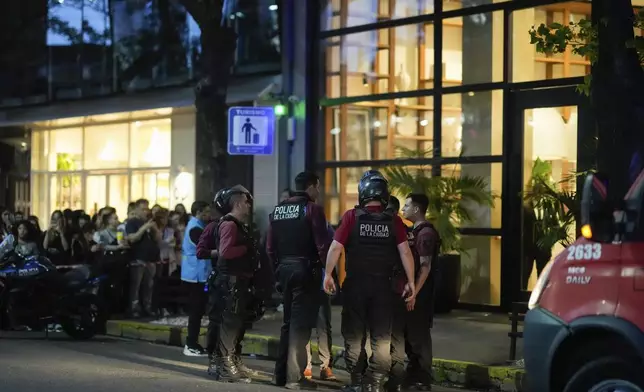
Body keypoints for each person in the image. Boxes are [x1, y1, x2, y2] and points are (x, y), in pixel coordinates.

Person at [323, 170, 416, 392]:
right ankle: (375, 382)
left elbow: (336, 247)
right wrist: (411, 281)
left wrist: (327, 274)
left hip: (356, 285)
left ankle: (357, 382)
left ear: (363, 191)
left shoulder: (351, 217)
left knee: (354, 335)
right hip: (383, 287)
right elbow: (405, 253)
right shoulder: (393, 221)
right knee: (382, 338)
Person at [267, 172, 330, 390]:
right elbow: (322, 246)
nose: (318, 192)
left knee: (287, 323)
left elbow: (269, 248)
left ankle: (280, 374)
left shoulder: (278, 210)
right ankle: (295, 378)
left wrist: (278, 272)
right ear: (311, 187)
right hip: (306, 270)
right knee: (300, 326)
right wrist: (329, 274)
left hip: (284, 270)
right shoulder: (312, 210)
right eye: (318, 188)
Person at [198, 185, 259, 383]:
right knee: (226, 324)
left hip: (237, 280)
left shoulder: (237, 225)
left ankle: (230, 361)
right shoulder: (228, 225)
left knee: (235, 324)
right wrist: (245, 249)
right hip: (228, 281)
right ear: (238, 203)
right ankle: (223, 365)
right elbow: (223, 253)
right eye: (245, 201)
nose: (249, 204)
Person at [394, 194, 439, 391]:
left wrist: (414, 293)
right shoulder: (413, 231)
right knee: (410, 335)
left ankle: (422, 379)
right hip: (412, 292)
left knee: (419, 336)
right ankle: (413, 376)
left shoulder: (426, 233)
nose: (403, 208)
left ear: (417, 209)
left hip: (420, 295)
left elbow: (425, 266)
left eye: (407, 205)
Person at [304, 219, 337, 382]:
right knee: (305, 327)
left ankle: (325, 365)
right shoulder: (301, 227)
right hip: (305, 283)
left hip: (321, 283)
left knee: (323, 326)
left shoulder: (325, 228)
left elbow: (336, 248)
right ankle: (307, 365)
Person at [181, 200, 213, 357]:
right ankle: (190, 344)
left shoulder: (197, 225)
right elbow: (206, 247)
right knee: (195, 311)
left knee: (198, 311)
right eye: (207, 211)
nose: (209, 214)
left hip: (198, 274)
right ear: (199, 212)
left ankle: (193, 343)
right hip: (194, 276)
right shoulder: (195, 228)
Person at [125, 199, 161, 318]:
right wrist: (144, 228)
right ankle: (134, 308)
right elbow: (132, 238)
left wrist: (154, 229)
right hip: (138, 258)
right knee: (136, 285)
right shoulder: (132, 222)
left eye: (147, 209)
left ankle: (148, 307)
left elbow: (157, 239)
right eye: (143, 209)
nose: (146, 211)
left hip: (151, 259)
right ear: (136, 210)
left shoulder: (149, 222)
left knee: (149, 285)